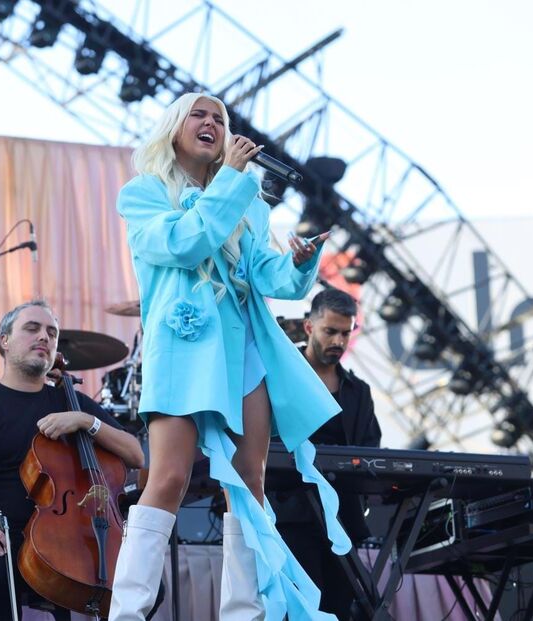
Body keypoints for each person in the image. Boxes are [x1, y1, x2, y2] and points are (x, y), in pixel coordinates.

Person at [109, 92, 351, 621]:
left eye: (219, 118)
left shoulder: (248, 201)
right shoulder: (144, 194)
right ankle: (126, 613)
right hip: (183, 348)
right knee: (168, 477)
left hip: (242, 350)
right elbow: (184, 245)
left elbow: (267, 277)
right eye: (198, 114)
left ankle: (245, 614)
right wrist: (233, 183)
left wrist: (299, 264)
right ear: (174, 128)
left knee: (248, 484)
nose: (211, 123)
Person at [0, 300, 145, 620]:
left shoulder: (73, 404)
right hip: (2, 534)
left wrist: (85, 421)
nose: (44, 337)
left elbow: (134, 453)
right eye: (32, 328)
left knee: (145, 585)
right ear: (5, 341)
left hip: (76, 537)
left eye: (52, 332)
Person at [272, 287, 382, 620]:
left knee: (339, 607)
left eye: (345, 333)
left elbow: (369, 450)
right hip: (291, 514)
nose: (338, 341)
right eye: (330, 331)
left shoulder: (358, 392)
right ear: (309, 328)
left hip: (343, 518)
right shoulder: (279, 377)